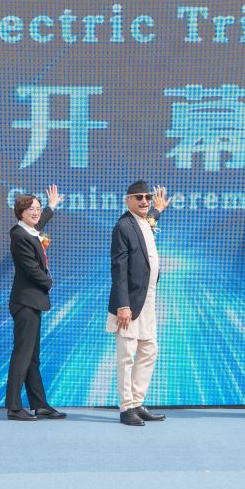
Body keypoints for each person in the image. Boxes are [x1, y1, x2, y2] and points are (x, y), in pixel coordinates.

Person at [107, 180, 170, 427]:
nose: (144, 201)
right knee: (127, 355)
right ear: (128, 201)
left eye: (147, 197)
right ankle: (126, 408)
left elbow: (150, 218)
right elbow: (119, 269)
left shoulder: (145, 221)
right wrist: (123, 305)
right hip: (130, 302)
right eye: (139, 197)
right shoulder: (123, 226)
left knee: (149, 350)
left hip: (149, 298)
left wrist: (158, 210)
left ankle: (137, 402)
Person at [7, 185, 68, 421]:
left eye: (38, 208)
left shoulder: (30, 231)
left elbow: (40, 223)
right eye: (31, 209)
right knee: (22, 355)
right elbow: (31, 269)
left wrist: (51, 206)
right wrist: (49, 282)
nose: (35, 212)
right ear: (20, 212)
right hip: (25, 302)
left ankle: (39, 404)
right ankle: (14, 407)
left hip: (33, 302)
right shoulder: (19, 235)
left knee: (32, 357)